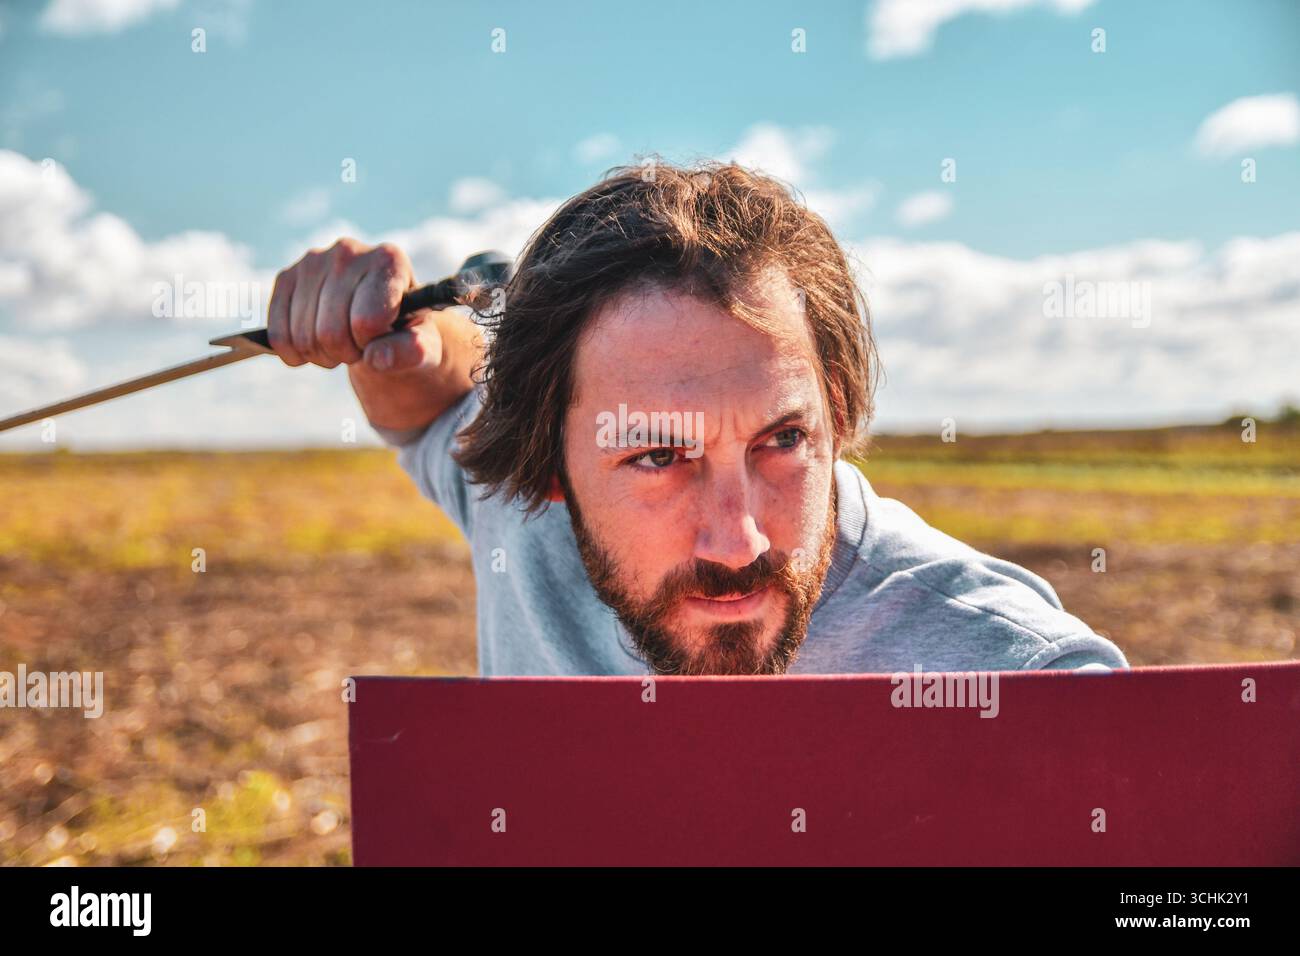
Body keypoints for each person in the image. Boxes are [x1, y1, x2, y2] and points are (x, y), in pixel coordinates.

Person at [265, 161, 1129, 677]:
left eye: (782, 441)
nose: (738, 542)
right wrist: (393, 335)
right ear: (549, 474)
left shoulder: (1014, 675)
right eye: (656, 458)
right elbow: (431, 405)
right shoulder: (522, 523)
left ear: (835, 412)